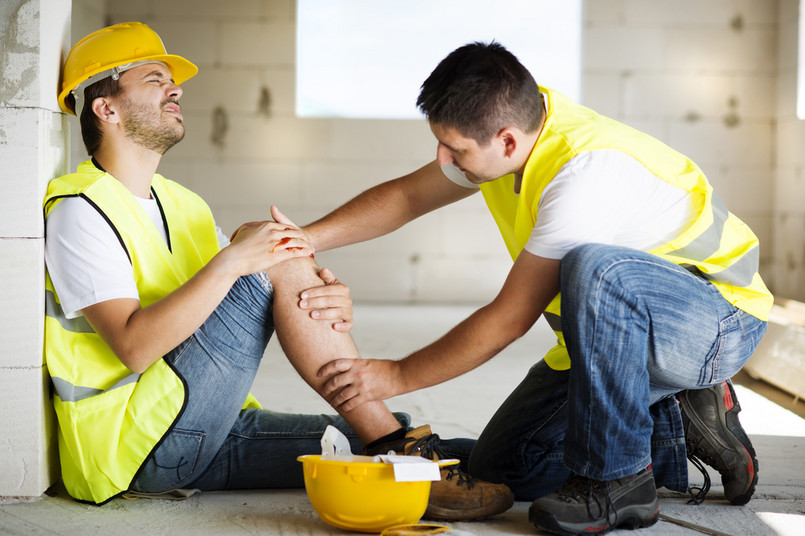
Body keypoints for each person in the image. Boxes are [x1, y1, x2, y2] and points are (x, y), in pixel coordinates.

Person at [44, 22, 513, 520]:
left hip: (204, 428)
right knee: (274, 247)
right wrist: (248, 262)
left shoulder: (184, 205)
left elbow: (254, 289)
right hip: (134, 448)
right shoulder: (80, 208)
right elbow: (135, 348)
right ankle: (397, 444)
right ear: (106, 108)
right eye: (155, 78)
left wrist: (321, 295)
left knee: (417, 444)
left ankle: (517, 467)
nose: (175, 88)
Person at [298, 42, 772, 535]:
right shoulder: (517, 136)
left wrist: (394, 375)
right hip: (625, 340)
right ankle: (680, 415)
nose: (443, 158)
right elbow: (405, 196)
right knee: (502, 470)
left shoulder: (581, 174)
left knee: (598, 268)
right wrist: (305, 238)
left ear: (505, 140)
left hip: (717, 320)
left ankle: (619, 482)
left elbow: (508, 318)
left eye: (454, 148)